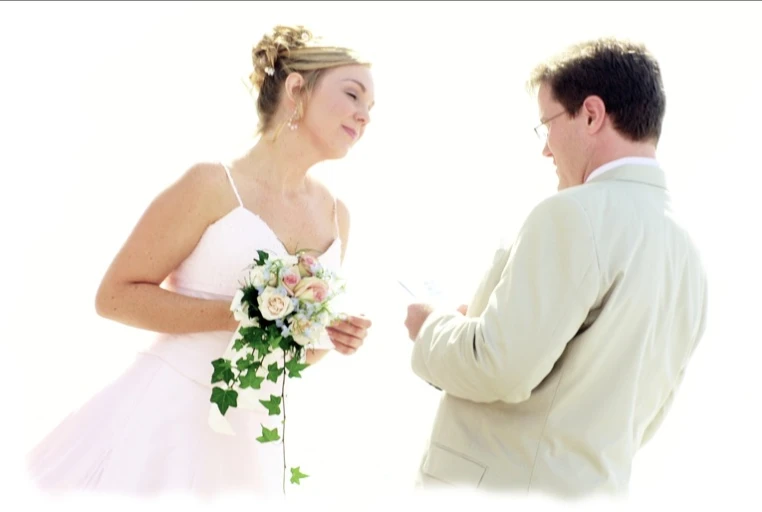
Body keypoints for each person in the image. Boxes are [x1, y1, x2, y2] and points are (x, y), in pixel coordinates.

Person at [26, 25, 374, 499]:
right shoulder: (211, 185)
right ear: (297, 89)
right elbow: (113, 297)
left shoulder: (338, 217)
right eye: (353, 95)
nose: (364, 115)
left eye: (371, 108)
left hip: (253, 441)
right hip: (166, 421)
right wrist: (248, 313)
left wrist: (326, 336)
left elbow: (291, 359)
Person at [403, 37, 708, 499]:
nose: (546, 150)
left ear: (590, 114)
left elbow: (500, 368)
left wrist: (431, 326)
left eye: (546, 124)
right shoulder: (688, 255)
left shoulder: (570, 214)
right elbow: (641, 420)